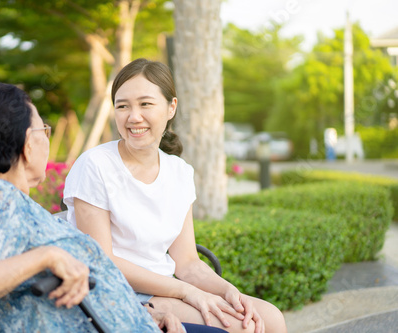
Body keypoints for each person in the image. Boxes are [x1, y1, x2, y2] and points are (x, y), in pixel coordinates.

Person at [0, 82, 226, 333]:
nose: (47, 138)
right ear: (27, 145)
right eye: (44, 130)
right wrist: (46, 256)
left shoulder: (15, 203)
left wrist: (146, 313)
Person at [63, 58, 288, 333]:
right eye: (123, 106)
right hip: (117, 294)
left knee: (271, 318)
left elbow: (188, 262)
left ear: (171, 107)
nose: (133, 116)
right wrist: (184, 292)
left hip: (168, 290)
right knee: (242, 328)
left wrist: (228, 290)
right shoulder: (95, 166)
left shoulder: (179, 172)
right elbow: (102, 260)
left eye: (145, 104)